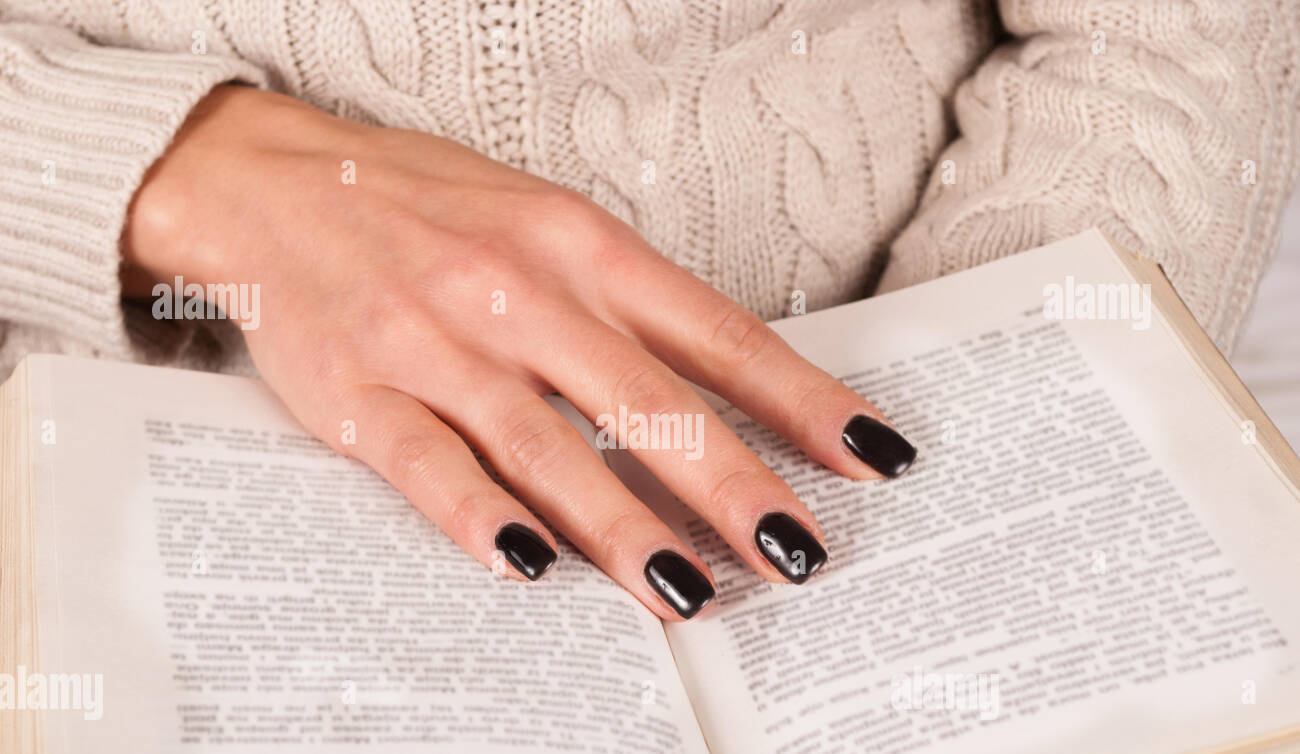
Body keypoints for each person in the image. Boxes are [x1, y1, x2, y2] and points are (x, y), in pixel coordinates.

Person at [0, 2, 1295, 620]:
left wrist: (975, 403)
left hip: (868, 481)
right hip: (141, 532)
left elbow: (1170, 35)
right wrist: (181, 178)